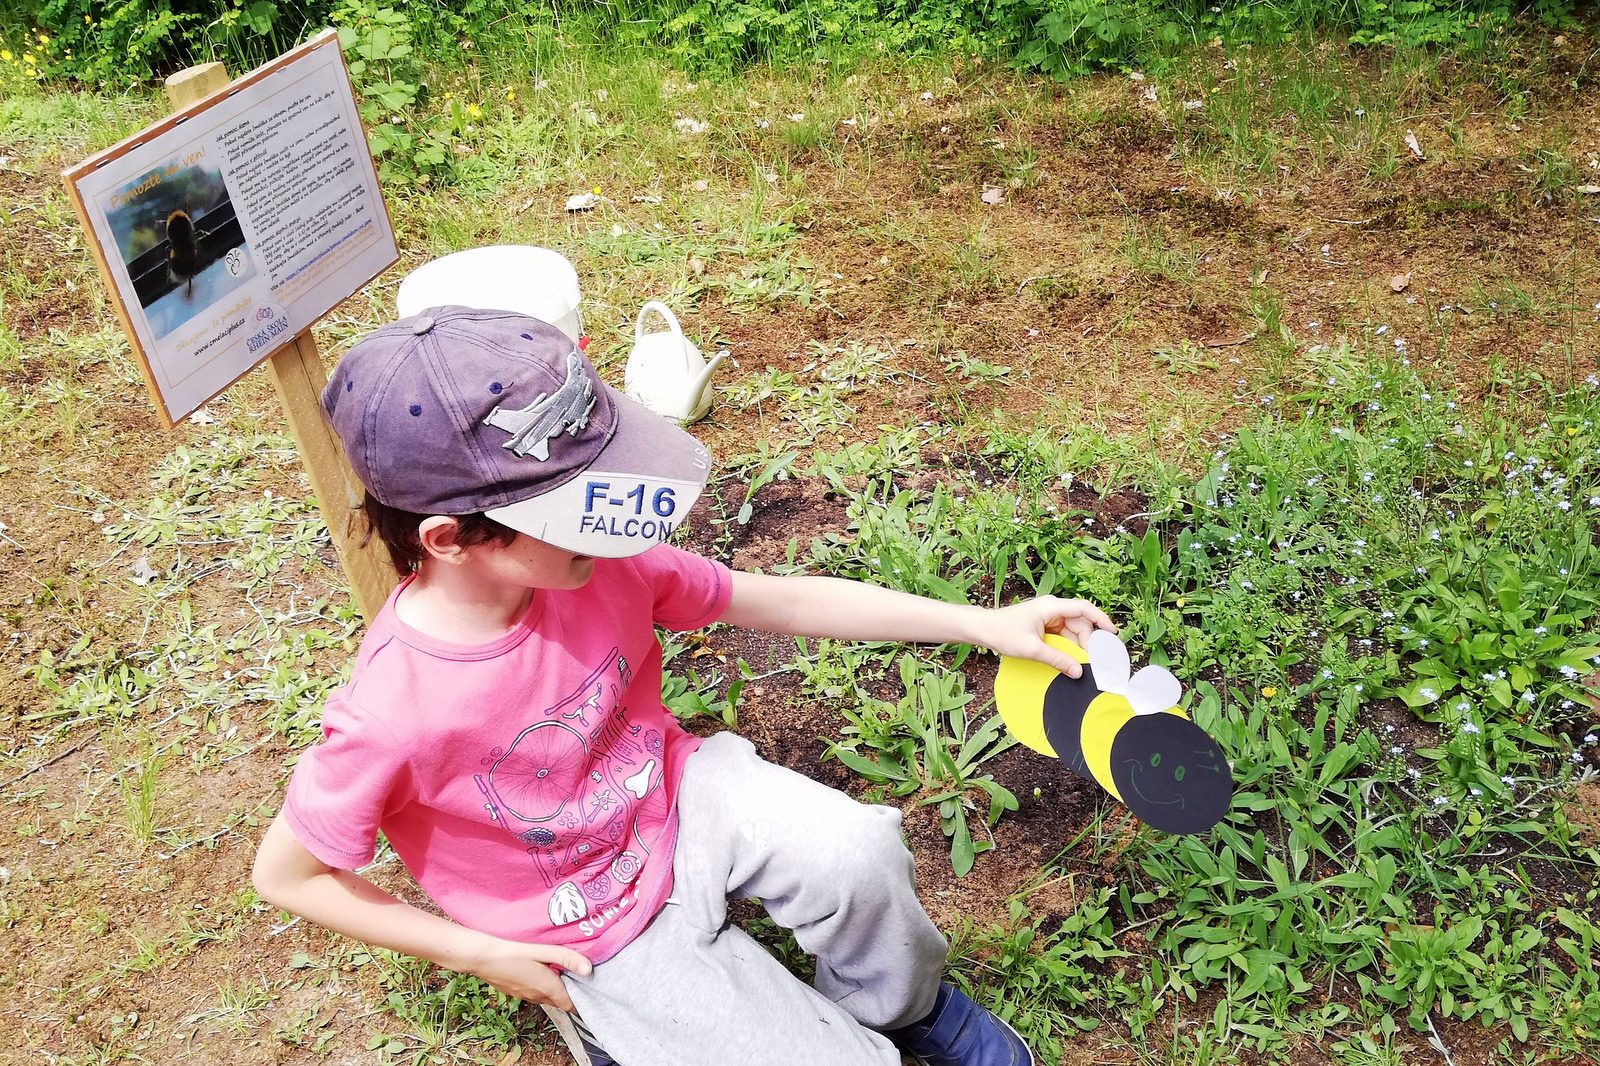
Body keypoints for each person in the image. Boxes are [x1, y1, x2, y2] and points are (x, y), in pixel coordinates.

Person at [252, 306, 1118, 1066]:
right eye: (573, 505)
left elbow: (775, 599)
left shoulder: (595, 564)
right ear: (450, 539)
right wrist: (476, 952)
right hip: (576, 921)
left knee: (858, 856)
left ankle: (905, 1007)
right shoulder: (392, 710)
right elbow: (288, 877)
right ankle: (618, 1029)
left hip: (670, 792)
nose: (609, 514)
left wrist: (982, 622)